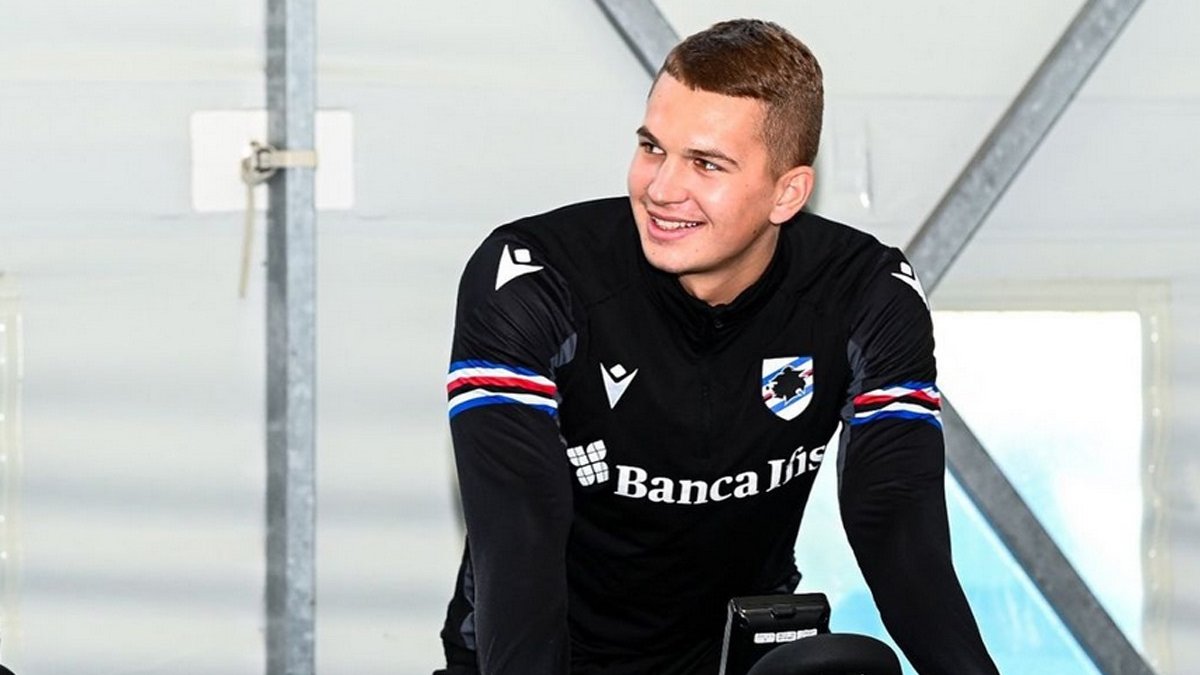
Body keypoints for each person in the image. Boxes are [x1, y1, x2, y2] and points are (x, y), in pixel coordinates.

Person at [435, 18, 1000, 675]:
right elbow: (518, 532)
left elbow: (897, 526)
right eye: (652, 147)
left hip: (735, 657)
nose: (661, 188)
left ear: (787, 193)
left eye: (706, 164)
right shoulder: (532, 278)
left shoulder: (865, 293)